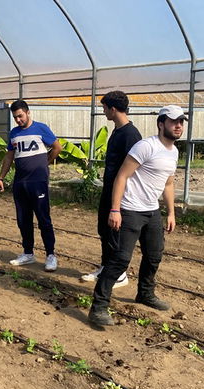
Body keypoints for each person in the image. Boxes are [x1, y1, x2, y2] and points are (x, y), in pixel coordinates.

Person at [88, 105, 185, 326]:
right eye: (173, 121)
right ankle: (99, 306)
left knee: (154, 255)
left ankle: (145, 294)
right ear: (161, 124)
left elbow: (168, 183)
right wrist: (115, 209)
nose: (178, 125)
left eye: (181, 121)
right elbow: (121, 176)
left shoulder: (174, 152)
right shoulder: (145, 147)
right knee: (120, 259)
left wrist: (171, 212)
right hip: (130, 209)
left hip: (151, 211)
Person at [81, 91, 143, 288]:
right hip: (109, 188)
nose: (104, 111)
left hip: (120, 192)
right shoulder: (117, 131)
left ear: (113, 109)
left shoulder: (131, 135)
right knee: (104, 229)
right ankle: (106, 266)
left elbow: (133, 169)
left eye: (104, 108)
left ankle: (119, 273)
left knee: (115, 233)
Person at [0, 100, 62, 271]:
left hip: (38, 183)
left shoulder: (41, 128)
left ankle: (51, 255)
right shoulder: (14, 134)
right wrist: (1, 178)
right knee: (23, 220)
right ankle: (28, 253)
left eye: (20, 116)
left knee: (43, 219)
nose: (18, 120)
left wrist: (45, 163)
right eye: (15, 117)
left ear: (28, 112)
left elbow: (56, 147)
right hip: (20, 183)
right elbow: (9, 157)